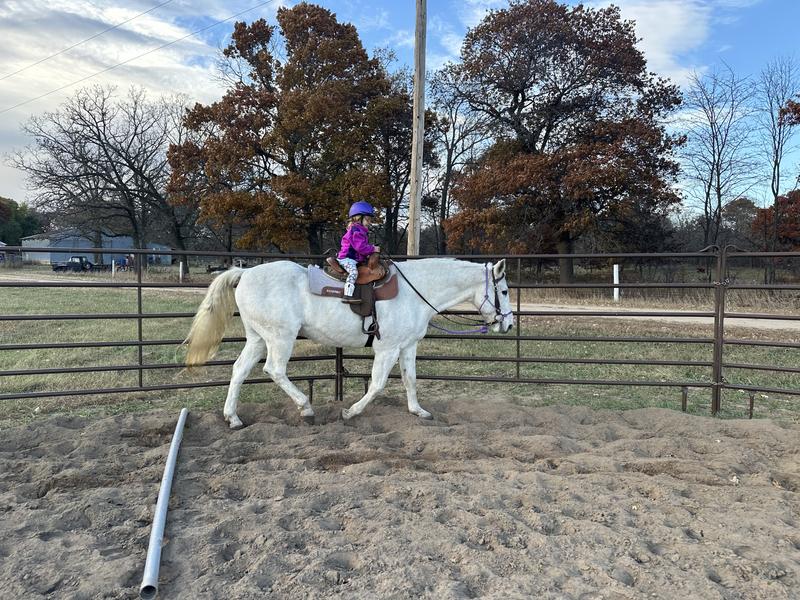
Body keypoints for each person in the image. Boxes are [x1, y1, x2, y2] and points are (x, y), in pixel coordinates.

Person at [337, 201, 381, 303]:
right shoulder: (356, 230)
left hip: (354, 259)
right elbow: (360, 247)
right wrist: (373, 249)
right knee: (353, 272)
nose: (369, 222)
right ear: (358, 218)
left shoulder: (360, 230)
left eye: (370, 220)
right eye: (367, 219)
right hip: (346, 258)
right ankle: (347, 295)